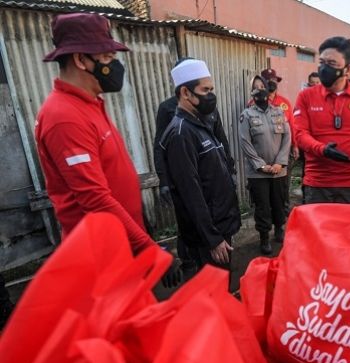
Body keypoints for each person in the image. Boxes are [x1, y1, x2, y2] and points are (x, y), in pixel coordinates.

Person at [34, 13, 181, 287]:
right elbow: (95, 199)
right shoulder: (64, 117)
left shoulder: (90, 104)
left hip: (121, 245)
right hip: (101, 255)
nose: (114, 65)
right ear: (81, 59)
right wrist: (148, 248)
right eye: (107, 57)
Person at [153, 57, 236, 277]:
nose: (211, 95)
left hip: (219, 223)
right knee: (213, 294)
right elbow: (191, 193)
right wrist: (213, 239)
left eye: (212, 89)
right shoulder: (181, 133)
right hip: (209, 235)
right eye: (205, 90)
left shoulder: (199, 122)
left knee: (221, 289)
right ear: (185, 93)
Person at [294, 36, 350, 212]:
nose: (324, 68)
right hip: (317, 184)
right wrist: (322, 149)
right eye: (321, 62)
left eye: (332, 63)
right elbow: (300, 135)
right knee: (318, 238)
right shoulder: (306, 97)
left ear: (348, 69)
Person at [239, 76, 291, 255]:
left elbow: (287, 137)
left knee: (279, 202)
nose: (260, 89)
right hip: (258, 173)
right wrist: (260, 166)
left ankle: (279, 229)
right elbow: (245, 142)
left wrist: (280, 162)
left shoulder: (279, 112)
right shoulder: (246, 115)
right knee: (262, 206)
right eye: (256, 87)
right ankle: (263, 238)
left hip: (278, 170)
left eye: (263, 86)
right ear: (252, 92)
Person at [260, 68, 298, 215]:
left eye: (274, 80)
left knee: (283, 183)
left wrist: (295, 145)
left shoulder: (285, 103)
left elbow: (292, 125)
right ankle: (269, 210)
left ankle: (283, 209)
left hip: (284, 151)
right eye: (268, 80)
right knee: (267, 183)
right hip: (264, 151)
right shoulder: (253, 103)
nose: (272, 83)